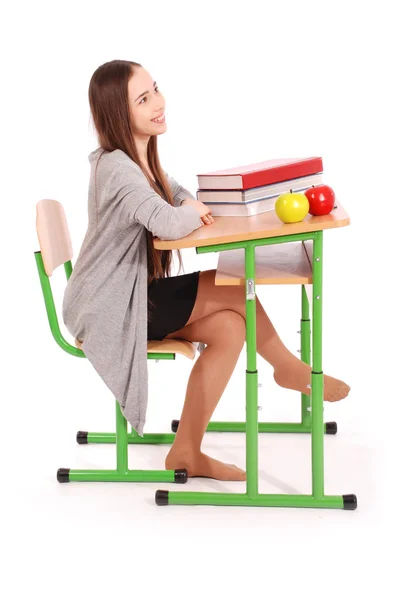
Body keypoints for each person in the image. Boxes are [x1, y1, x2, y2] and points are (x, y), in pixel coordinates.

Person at [63, 59, 350, 482]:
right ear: (118, 114)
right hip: (109, 306)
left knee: (232, 327)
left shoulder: (138, 159)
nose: (158, 103)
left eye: (155, 89)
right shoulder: (118, 169)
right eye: (143, 100)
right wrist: (188, 210)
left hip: (128, 294)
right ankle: (287, 366)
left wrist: (186, 205)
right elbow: (168, 222)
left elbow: (177, 193)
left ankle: (186, 452)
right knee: (231, 288)